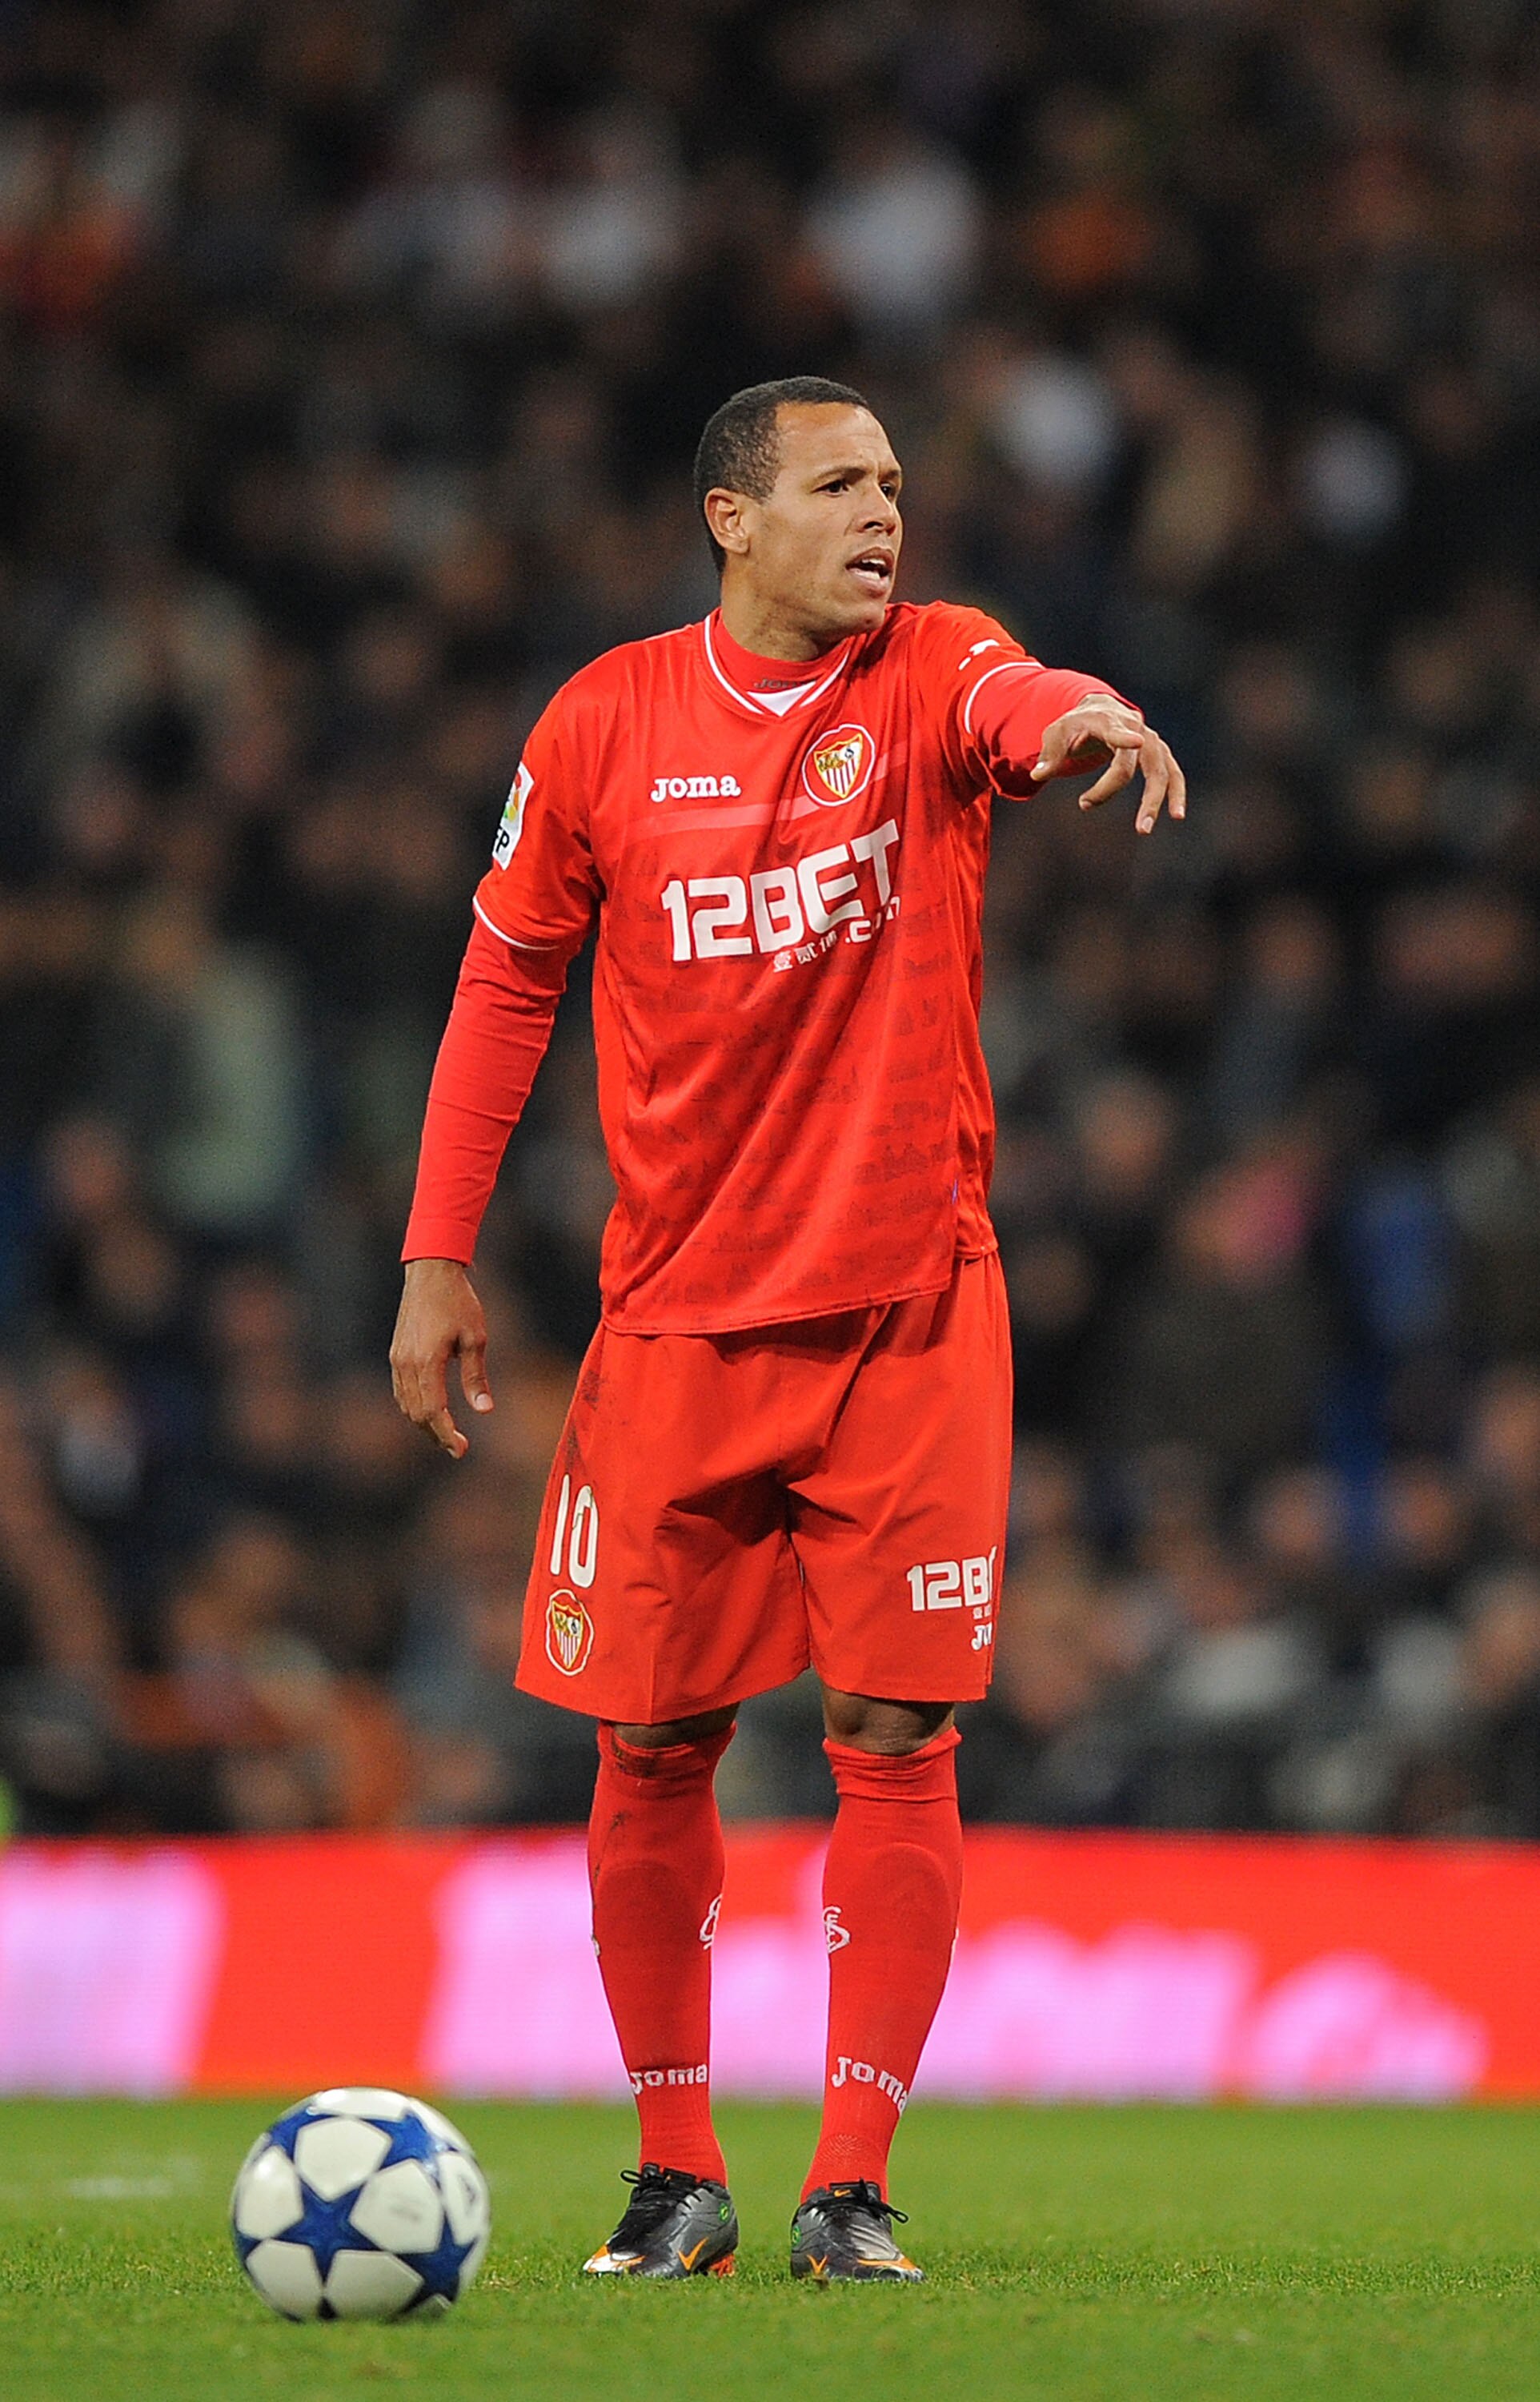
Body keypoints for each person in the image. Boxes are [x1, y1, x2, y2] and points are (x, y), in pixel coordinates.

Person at [391, 376, 1185, 2281]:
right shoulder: (601, 722)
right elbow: (506, 985)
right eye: (838, 485)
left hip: (909, 1311)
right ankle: (677, 2176)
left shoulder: (931, 670)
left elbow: (1015, 700)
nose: (883, 513)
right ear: (730, 521)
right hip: (673, 1326)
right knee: (651, 1745)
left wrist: (1083, 714)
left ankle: (851, 2186)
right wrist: (435, 1253)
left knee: (889, 1731)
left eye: (896, 484)